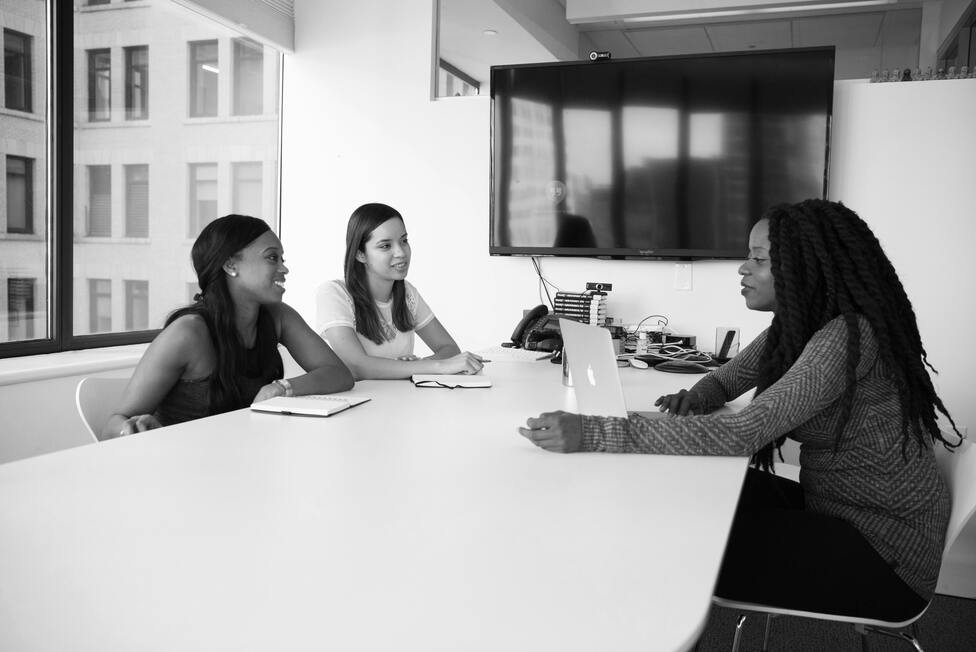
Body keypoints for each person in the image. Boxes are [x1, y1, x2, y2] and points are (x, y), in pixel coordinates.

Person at [519, 199, 961, 621]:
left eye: (759, 259)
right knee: (691, 492)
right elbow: (727, 379)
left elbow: (744, 432)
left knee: (679, 539)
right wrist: (699, 396)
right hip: (836, 509)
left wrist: (595, 431)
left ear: (804, 267)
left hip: (883, 555)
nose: (743, 268)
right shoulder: (798, 329)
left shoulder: (847, 336)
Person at [104, 215, 354, 438]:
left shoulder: (278, 316)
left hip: (244, 456)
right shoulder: (188, 333)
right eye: (272, 257)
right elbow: (113, 426)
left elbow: (339, 374)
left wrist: (281, 388)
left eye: (282, 258)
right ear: (231, 265)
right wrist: (131, 430)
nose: (284, 268)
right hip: (186, 464)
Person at [316, 202, 483, 380]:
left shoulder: (407, 293)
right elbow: (357, 366)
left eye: (404, 241)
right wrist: (430, 367)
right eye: (385, 246)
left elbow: (449, 348)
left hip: (401, 396)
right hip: (361, 397)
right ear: (360, 254)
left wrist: (413, 367)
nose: (401, 253)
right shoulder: (334, 293)